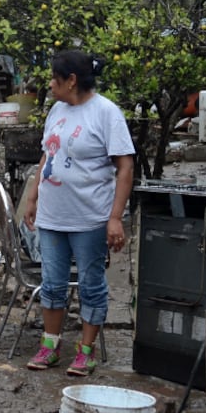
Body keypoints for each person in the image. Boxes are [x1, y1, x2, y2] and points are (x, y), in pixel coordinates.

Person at [23, 50, 134, 377]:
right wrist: (33, 196)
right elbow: (47, 156)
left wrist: (115, 217)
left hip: (89, 217)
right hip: (53, 215)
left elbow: (125, 168)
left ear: (71, 80)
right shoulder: (57, 110)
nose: (49, 83)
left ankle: (86, 351)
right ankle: (51, 345)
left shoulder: (106, 113)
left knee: (91, 284)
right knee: (52, 283)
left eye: (54, 78)